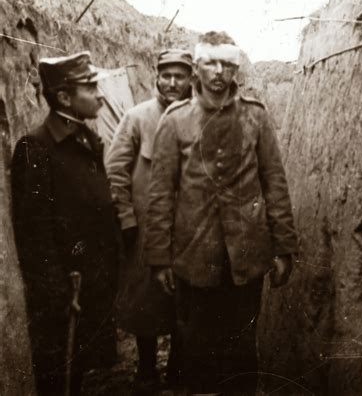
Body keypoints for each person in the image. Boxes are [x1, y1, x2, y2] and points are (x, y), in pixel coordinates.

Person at [144, 31, 298, 395]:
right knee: (197, 355)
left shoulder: (255, 118)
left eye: (226, 64)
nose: (218, 72)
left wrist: (284, 247)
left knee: (241, 356)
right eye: (210, 63)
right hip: (194, 258)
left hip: (246, 258)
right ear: (197, 67)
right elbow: (161, 193)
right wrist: (158, 258)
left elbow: (274, 182)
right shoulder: (175, 120)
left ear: (235, 68)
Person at [10, 51, 121, 396]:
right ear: (63, 97)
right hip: (65, 296)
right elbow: (34, 235)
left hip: (91, 286)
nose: (100, 94)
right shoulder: (37, 147)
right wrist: (59, 297)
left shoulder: (87, 141)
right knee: (59, 377)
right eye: (90, 87)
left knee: (82, 374)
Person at [105, 49, 193, 391]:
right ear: (157, 77)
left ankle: (177, 368)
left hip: (187, 229)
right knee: (146, 299)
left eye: (180, 76)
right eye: (166, 75)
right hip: (145, 229)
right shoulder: (137, 117)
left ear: (191, 79)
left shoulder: (199, 117)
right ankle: (145, 369)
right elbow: (115, 171)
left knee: (184, 299)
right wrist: (126, 217)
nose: (172, 82)